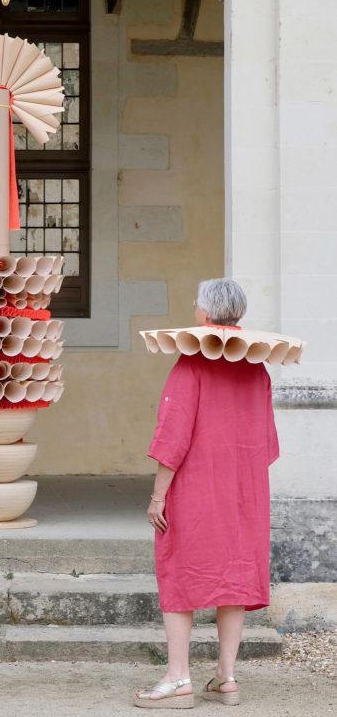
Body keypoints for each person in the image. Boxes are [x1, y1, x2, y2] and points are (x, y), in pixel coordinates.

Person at [134, 278, 279, 709]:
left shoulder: (192, 363)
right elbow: (268, 445)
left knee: (180, 573)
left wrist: (159, 495)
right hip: (245, 493)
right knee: (233, 578)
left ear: (204, 314)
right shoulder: (258, 367)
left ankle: (179, 678)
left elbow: (171, 437)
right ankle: (226, 677)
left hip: (196, 490)